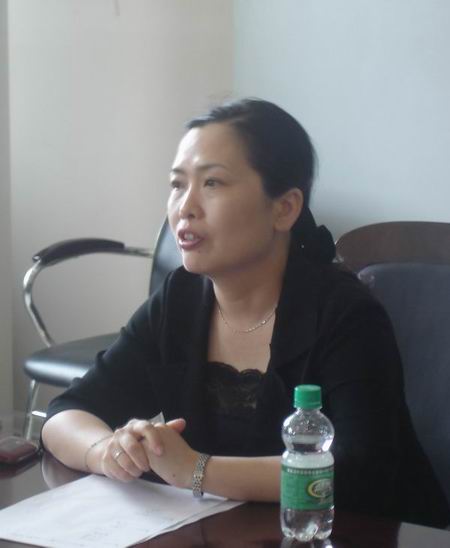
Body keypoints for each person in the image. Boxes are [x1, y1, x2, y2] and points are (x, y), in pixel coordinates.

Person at [41, 98, 449, 527]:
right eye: (177, 185)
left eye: (212, 183)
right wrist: (106, 452)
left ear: (284, 208)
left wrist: (196, 470)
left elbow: (359, 472)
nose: (185, 207)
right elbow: (68, 411)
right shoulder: (180, 299)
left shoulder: (345, 314)